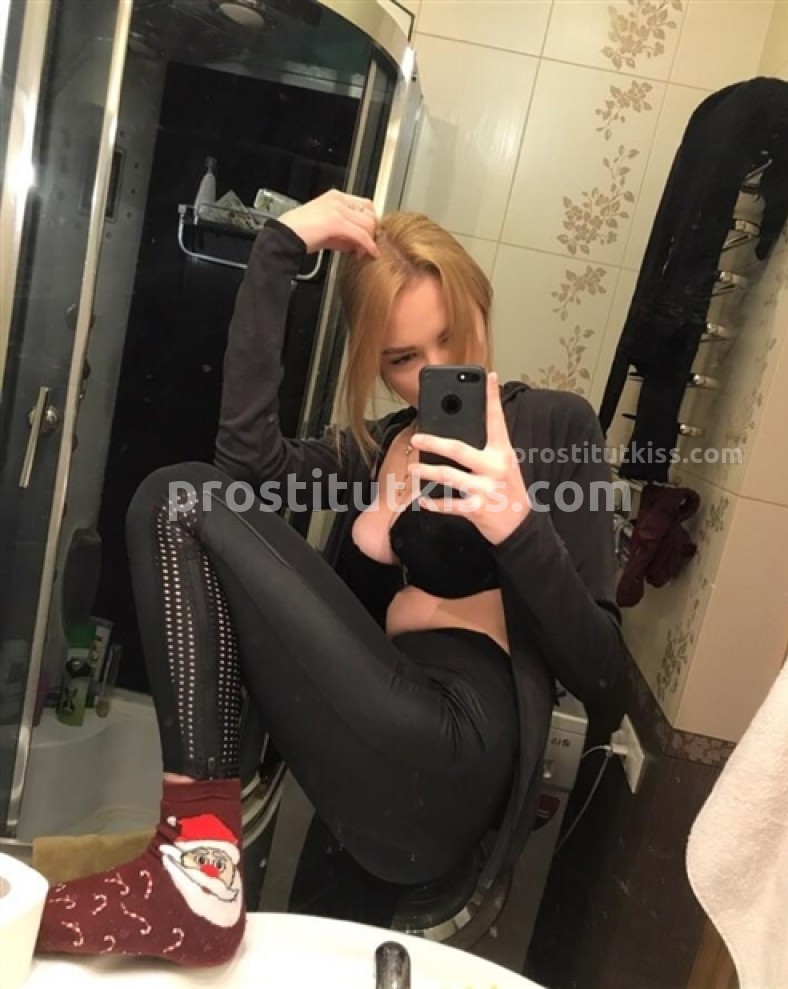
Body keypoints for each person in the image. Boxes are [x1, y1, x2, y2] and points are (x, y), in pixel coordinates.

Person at [35, 190, 629, 967]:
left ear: (480, 305)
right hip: (374, 745)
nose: (436, 369)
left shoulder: (553, 428)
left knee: (178, 499)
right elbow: (244, 469)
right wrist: (277, 250)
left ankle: (195, 866)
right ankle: (201, 866)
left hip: (455, 745)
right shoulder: (379, 449)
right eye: (403, 358)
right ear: (376, 365)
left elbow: (606, 680)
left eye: (452, 334)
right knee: (176, 500)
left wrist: (516, 523)